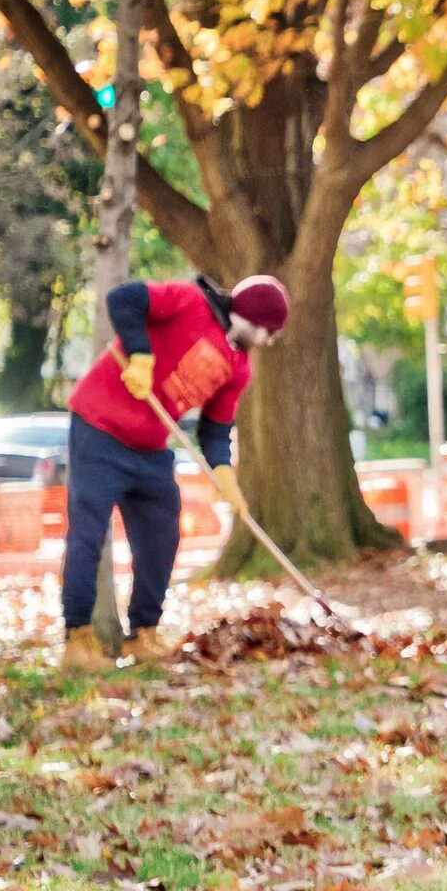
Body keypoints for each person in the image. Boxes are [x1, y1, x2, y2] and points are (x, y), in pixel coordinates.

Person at [57, 273, 289, 671]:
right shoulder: (187, 300)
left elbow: (215, 429)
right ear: (258, 318)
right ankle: (77, 640)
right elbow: (123, 298)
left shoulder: (239, 367)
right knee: (88, 534)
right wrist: (141, 354)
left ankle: (143, 631)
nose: (270, 342)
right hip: (100, 428)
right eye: (272, 332)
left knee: (162, 536)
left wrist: (225, 475)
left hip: (150, 447)